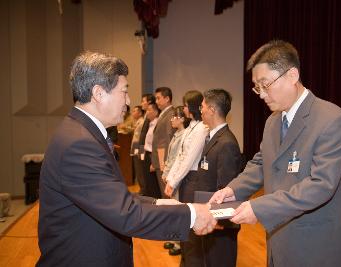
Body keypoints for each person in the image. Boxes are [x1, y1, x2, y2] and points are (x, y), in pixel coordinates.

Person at [37, 51, 217, 267]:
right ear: (99, 93)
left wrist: (159, 202)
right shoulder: (79, 144)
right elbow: (125, 213)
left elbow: (112, 197)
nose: (129, 101)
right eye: (124, 91)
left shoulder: (80, 133)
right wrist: (191, 215)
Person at [209, 40, 341, 267]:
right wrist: (232, 190)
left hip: (316, 247)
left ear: (292, 75)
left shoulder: (332, 119)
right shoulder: (273, 121)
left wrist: (259, 208)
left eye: (265, 84)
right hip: (279, 241)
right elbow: (260, 163)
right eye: (257, 87)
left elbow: (321, 185)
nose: (261, 94)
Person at [185, 88, 242, 267]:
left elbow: (226, 187)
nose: (200, 110)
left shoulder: (226, 143)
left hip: (220, 224)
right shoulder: (214, 136)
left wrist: (219, 221)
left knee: (220, 261)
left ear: (211, 109)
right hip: (210, 216)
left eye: (202, 106)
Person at [164, 90, 209, 267]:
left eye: (185, 105)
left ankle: (192, 262)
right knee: (184, 222)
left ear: (192, 107)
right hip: (184, 180)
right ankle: (185, 260)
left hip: (193, 180)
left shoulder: (202, 129)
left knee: (191, 225)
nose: (183, 108)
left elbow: (189, 158)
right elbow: (180, 157)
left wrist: (173, 181)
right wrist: (170, 180)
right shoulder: (191, 127)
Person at [161, 106, 191, 256]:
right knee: (172, 208)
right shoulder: (177, 133)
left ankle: (179, 243)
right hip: (170, 174)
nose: (172, 119)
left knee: (178, 208)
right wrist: (166, 171)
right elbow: (170, 156)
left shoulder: (185, 134)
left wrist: (170, 175)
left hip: (177, 177)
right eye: (172, 117)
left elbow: (179, 159)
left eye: (175, 117)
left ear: (183, 119)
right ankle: (174, 239)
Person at [153, 87, 175, 197]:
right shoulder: (164, 113)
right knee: (163, 192)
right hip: (160, 160)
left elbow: (168, 140)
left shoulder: (170, 114)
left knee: (166, 193)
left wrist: (164, 163)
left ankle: (168, 213)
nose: (156, 102)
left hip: (164, 161)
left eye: (158, 98)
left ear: (167, 98)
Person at [143, 102, 162, 198]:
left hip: (152, 155)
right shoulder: (150, 123)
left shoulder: (157, 124)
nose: (147, 112)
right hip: (147, 154)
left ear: (155, 112)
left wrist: (154, 161)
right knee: (148, 182)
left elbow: (157, 143)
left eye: (149, 110)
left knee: (153, 183)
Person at [130, 105, 145, 185]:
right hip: (136, 146)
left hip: (139, 147)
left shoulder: (142, 122)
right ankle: (141, 187)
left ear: (140, 113)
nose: (133, 113)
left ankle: (143, 188)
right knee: (137, 167)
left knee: (140, 169)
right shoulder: (138, 122)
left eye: (135, 111)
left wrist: (140, 151)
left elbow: (141, 138)